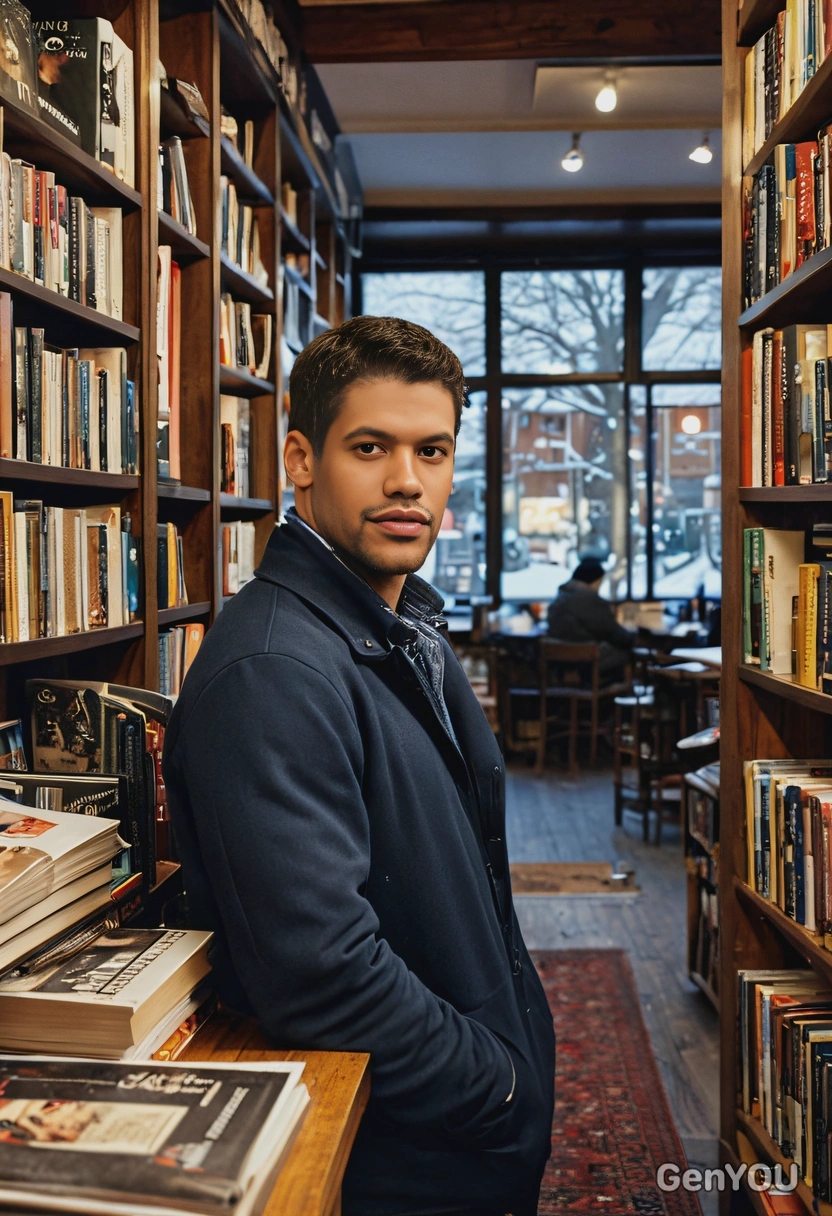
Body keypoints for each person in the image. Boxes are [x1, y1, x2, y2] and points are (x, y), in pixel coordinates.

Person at [162, 316, 555, 1216]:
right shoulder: (277, 670)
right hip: (409, 1150)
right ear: (300, 458)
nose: (407, 481)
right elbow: (319, 973)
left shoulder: (400, 622)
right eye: (370, 447)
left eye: (434, 450)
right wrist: (496, 1087)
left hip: (458, 1119)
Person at [547, 558, 634, 678]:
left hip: (558, 662)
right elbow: (613, 632)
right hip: (584, 661)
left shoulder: (561, 595)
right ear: (595, 581)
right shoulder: (589, 599)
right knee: (625, 650)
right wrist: (633, 637)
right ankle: (610, 693)